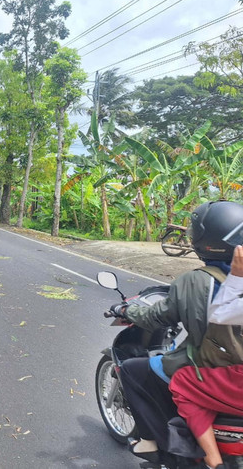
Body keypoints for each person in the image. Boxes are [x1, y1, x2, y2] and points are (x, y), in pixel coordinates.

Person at [112, 200, 243, 464]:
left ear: (205, 240)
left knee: (133, 370)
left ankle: (154, 443)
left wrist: (125, 310)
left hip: (216, 370)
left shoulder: (195, 281)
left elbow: (155, 317)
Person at [169, 244, 243, 469]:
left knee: (183, 381)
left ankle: (213, 459)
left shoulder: (194, 278)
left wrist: (236, 277)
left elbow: (219, 314)